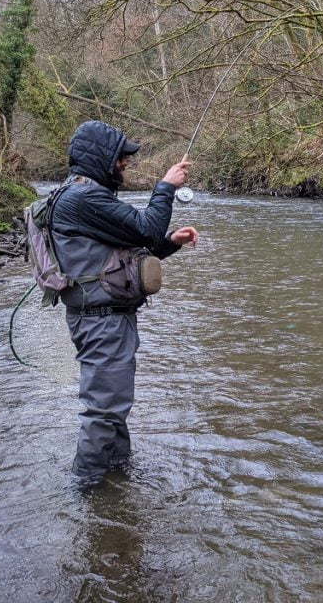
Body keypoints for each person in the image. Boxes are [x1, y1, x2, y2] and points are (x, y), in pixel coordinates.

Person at [50, 120, 199, 484]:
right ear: (103, 157)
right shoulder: (84, 198)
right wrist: (165, 186)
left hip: (104, 319)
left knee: (112, 409)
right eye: (121, 158)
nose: (125, 164)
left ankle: (116, 478)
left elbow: (133, 250)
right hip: (101, 321)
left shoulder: (80, 196)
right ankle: (87, 492)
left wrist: (170, 243)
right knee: (104, 412)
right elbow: (145, 227)